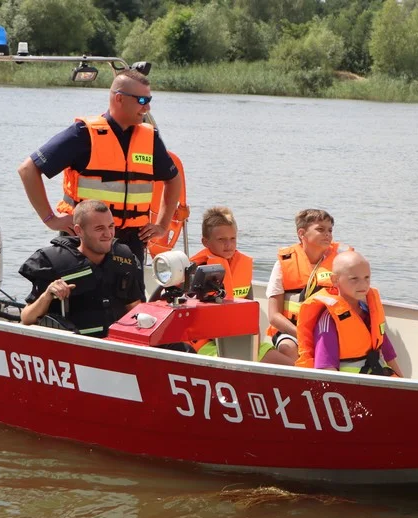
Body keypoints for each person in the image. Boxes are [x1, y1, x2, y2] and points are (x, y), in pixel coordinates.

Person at [18, 69, 183, 265]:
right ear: (119, 98)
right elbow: (28, 170)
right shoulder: (83, 134)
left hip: (130, 242)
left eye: (149, 100)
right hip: (84, 241)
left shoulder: (150, 138)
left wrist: (162, 225)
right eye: (141, 101)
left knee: (131, 296)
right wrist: (50, 219)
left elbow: (173, 178)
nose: (147, 107)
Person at [19, 200, 143, 338]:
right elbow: (26, 318)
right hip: (74, 348)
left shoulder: (124, 259)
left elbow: (136, 310)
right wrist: (47, 296)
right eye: (99, 228)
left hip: (118, 347)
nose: (108, 234)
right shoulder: (54, 263)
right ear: (79, 231)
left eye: (111, 226)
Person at [188, 207, 291, 364]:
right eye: (221, 240)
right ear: (205, 242)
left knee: (289, 364)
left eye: (233, 239)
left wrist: (251, 341)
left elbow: (249, 308)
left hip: (238, 339)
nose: (228, 245)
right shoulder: (195, 270)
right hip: (204, 342)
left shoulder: (241, 266)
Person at [295, 251, 403, 377]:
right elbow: (326, 370)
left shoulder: (369, 313)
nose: (363, 284)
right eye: (354, 279)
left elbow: (388, 356)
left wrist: (405, 384)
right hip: (351, 388)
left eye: (367, 278)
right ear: (335, 280)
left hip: (379, 379)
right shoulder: (329, 320)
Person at [266, 209, 350, 363]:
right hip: (291, 330)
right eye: (320, 229)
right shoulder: (282, 265)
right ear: (301, 233)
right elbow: (273, 316)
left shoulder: (340, 264)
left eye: (330, 230)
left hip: (328, 330)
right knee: (287, 348)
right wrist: (302, 333)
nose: (327, 234)